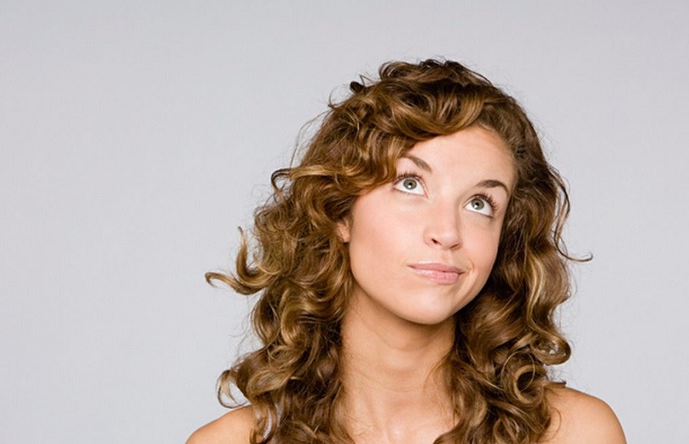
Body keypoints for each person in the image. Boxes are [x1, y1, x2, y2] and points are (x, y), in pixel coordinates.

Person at [187, 59, 625, 444]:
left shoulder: (574, 434)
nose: (447, 232)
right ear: (339, 212)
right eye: (410, 184)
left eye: (479, 203)